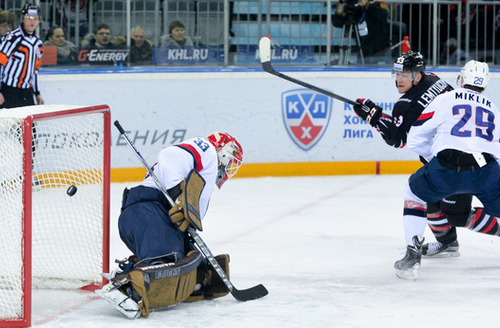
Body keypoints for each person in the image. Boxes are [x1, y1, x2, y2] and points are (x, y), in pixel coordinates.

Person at [96, 132, 243, 319]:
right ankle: (125, 287)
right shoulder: (206, 151)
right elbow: (171, 154)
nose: (229, 168)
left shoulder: (204, 176)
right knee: (168, 265)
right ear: (224, 152)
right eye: (231, 161)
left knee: (192, 269)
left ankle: (133, 269)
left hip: (155, 219)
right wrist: (177, 194)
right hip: (147, 212)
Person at [352, 51, 478, 258]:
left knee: (457, 214)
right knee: (430, 201)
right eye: (397, 74)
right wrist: (377, 114)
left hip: (449, 160)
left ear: (418, 76)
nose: (399, 79)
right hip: (466, 148)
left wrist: (373, 116)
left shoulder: (404, 104)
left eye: (405, 74)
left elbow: (398, 139)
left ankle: (452, 241)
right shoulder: (436, 80)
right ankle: (448, 244)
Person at [394, 60, 500, 280]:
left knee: (414, 192)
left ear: (461, 79)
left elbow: (415, 139)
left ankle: (412, 255)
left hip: (447, 170)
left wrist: (435, 158)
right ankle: (446, 242)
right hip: (486, 171)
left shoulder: (445, 99)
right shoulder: (492, 106)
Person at [0, 3, 44, 108]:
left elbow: (35, 70)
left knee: (29, 124)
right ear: (23, 19)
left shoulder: (38, 43)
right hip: (9, 91)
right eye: (29, 18)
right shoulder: (12, 39)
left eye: (35, 18)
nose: (32, 21)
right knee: (6, 124)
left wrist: (37, 93)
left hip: (27, 93)